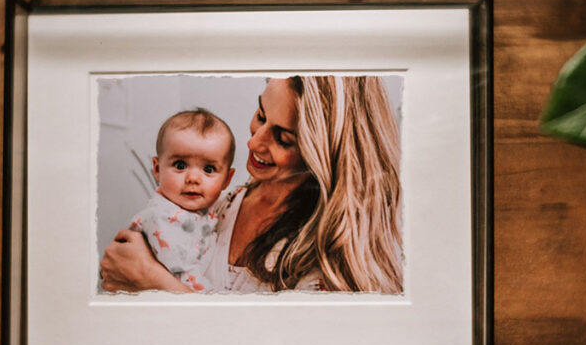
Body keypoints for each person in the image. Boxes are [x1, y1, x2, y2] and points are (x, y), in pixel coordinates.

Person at [101, 76, 403, 294]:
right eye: (261, 115)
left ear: (325, 156)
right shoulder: (222, 203)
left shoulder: (328, 255)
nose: (253, 141)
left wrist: (153, 280)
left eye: (284, 138)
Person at [120, 108, 236, 292]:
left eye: (209, 169)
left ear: (226, 180)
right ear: (157, 169)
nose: (193, 178)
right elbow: (180, 274)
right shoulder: (162, 218)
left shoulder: (210, 209)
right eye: (180, 165)